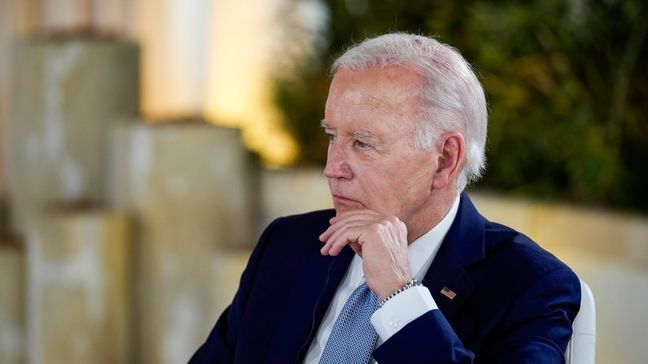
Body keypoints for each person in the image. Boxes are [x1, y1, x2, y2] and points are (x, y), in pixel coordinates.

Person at [190, 33, 580, 363]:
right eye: (332, 137)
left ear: (444, 159)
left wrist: (399, 295)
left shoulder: (531, 285)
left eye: (362, 143)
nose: (333, 168)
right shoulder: (288, 244)